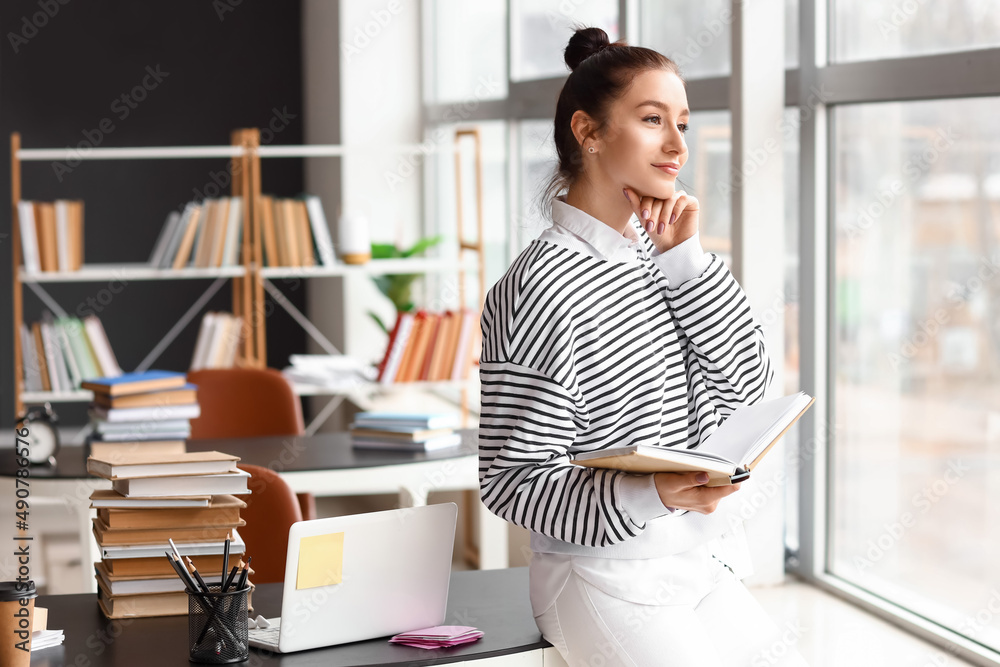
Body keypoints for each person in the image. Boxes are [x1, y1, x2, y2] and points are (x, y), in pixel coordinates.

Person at [477, 26, 810, 667]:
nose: (678, 145)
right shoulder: (538, 285)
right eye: (653, 119)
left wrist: (686, 260)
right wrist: (650, 492)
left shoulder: (662, 259)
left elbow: (748, 389)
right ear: (589, 131)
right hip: (601, 576)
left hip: (696, 560)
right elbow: (511, 481)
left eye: (682, 122)